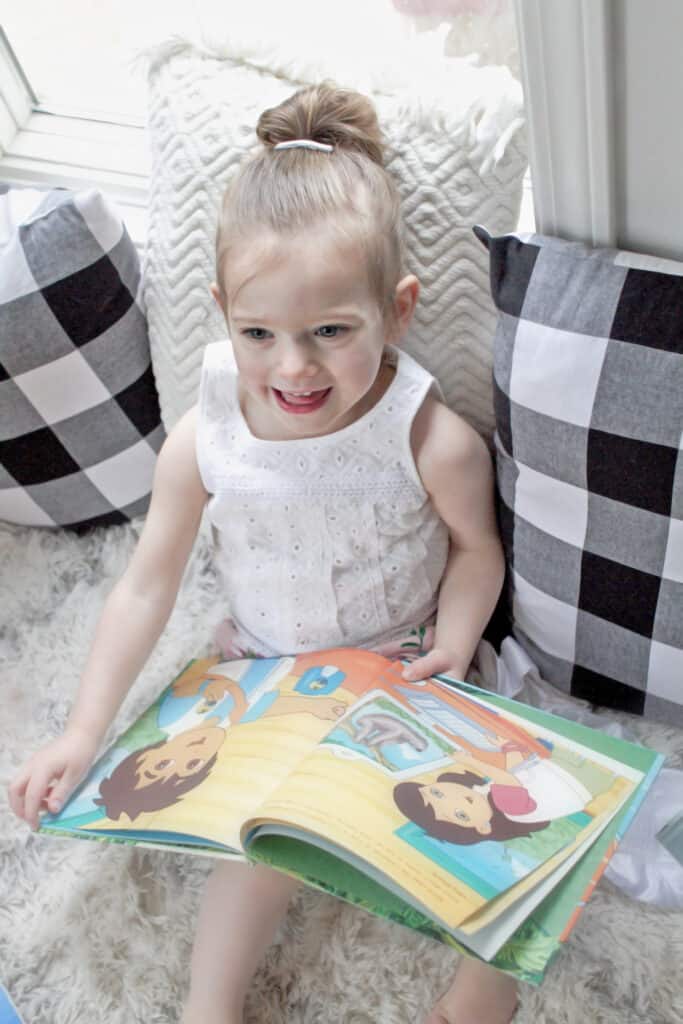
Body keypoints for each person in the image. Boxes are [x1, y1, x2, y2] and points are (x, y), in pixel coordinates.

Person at [9, 83, 514, 1024]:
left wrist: (450, 645)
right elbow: (143, 586)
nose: (294, 367)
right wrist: (84, 732)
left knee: (478, 823)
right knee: (257, 836)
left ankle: (477, 996)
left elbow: (475, 550)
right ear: (221, 314)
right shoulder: (206, 436)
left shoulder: (428, 437)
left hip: (404, 667)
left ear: (396, 311)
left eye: (331, 331)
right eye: (259, 335)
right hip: (265, 675)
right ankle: (214, 1008)